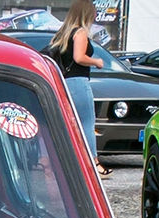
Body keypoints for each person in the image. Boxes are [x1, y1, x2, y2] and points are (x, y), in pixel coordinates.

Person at [47, 0, 107, 176]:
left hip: (65, 83)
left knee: (70, 124)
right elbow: (79, 57)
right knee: (87, 123)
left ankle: (70, 161)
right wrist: (97, 61)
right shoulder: (80, 33)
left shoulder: (63, 34)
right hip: (79, 82)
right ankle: (94, 162)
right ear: (86, 14)